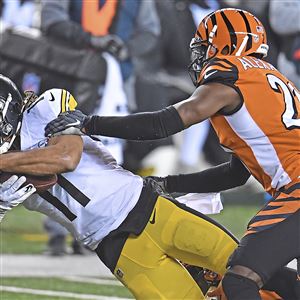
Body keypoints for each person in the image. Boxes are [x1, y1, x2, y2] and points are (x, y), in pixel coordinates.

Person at [45, 8, 300, 299]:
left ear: (221, 44)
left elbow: (164, 123)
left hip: (296, 191)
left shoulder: (230, 76)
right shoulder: (270, 79)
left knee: (238, 283)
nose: (200, 55)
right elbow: (236, 173)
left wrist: (89, 123)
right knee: (279, 283)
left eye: (204, 47)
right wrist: (168, 184)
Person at [0, 73, 240, 299]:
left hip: (148, 207)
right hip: (114, 246)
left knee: (247, 271)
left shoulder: (46, 106)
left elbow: (66, 158)